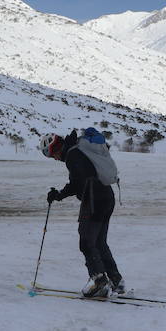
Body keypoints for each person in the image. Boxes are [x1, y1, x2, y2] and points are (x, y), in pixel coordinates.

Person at [40, 127, 124, 299]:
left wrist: (59, 194)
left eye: (51, 155)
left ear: (55, 149)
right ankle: (116, 281)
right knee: (99, 242)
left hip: (94, 199)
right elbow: (79, 180)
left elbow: (78, 183)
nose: (55, 159)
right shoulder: (78, 149)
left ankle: (99, 280)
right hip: (107, 196)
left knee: (86, 241)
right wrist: (59, 195)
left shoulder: (73, 155)